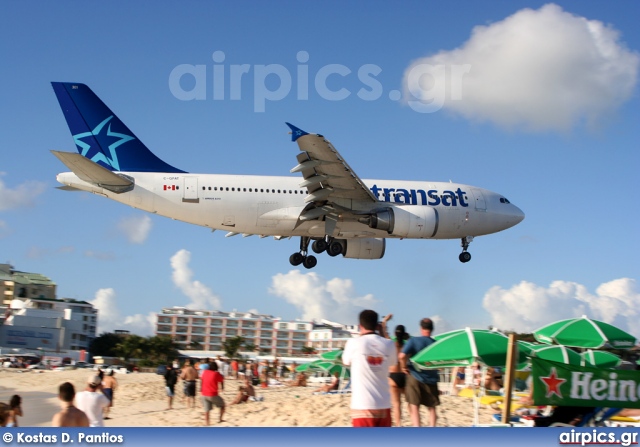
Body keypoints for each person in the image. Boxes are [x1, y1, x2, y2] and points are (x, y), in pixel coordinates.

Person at [342, 309, 396, 427]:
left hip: (362, 404)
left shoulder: (353, 343)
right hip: (384, 404)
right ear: (377, 326)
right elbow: (393, 362)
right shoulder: (389, 344)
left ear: (359, 326)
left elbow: (345, 362)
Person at [399, 317, 440, 427]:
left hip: (415, 375)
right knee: (432, 408)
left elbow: (401, 356)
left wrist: (403, 367)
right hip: (431, 377)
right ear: (432, 329)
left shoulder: (413, 341)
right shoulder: (436, 344)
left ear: (421, 328)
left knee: (414, 406)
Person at [381, 314, 410, 427]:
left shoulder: (391, 344)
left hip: (393, 376)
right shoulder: (407, 345)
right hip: (404, 375)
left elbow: (384, 331)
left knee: (396, 404)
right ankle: (414, 422)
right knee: (410, 403)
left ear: (395, 333)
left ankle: (398, 425)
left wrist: (385, 320)